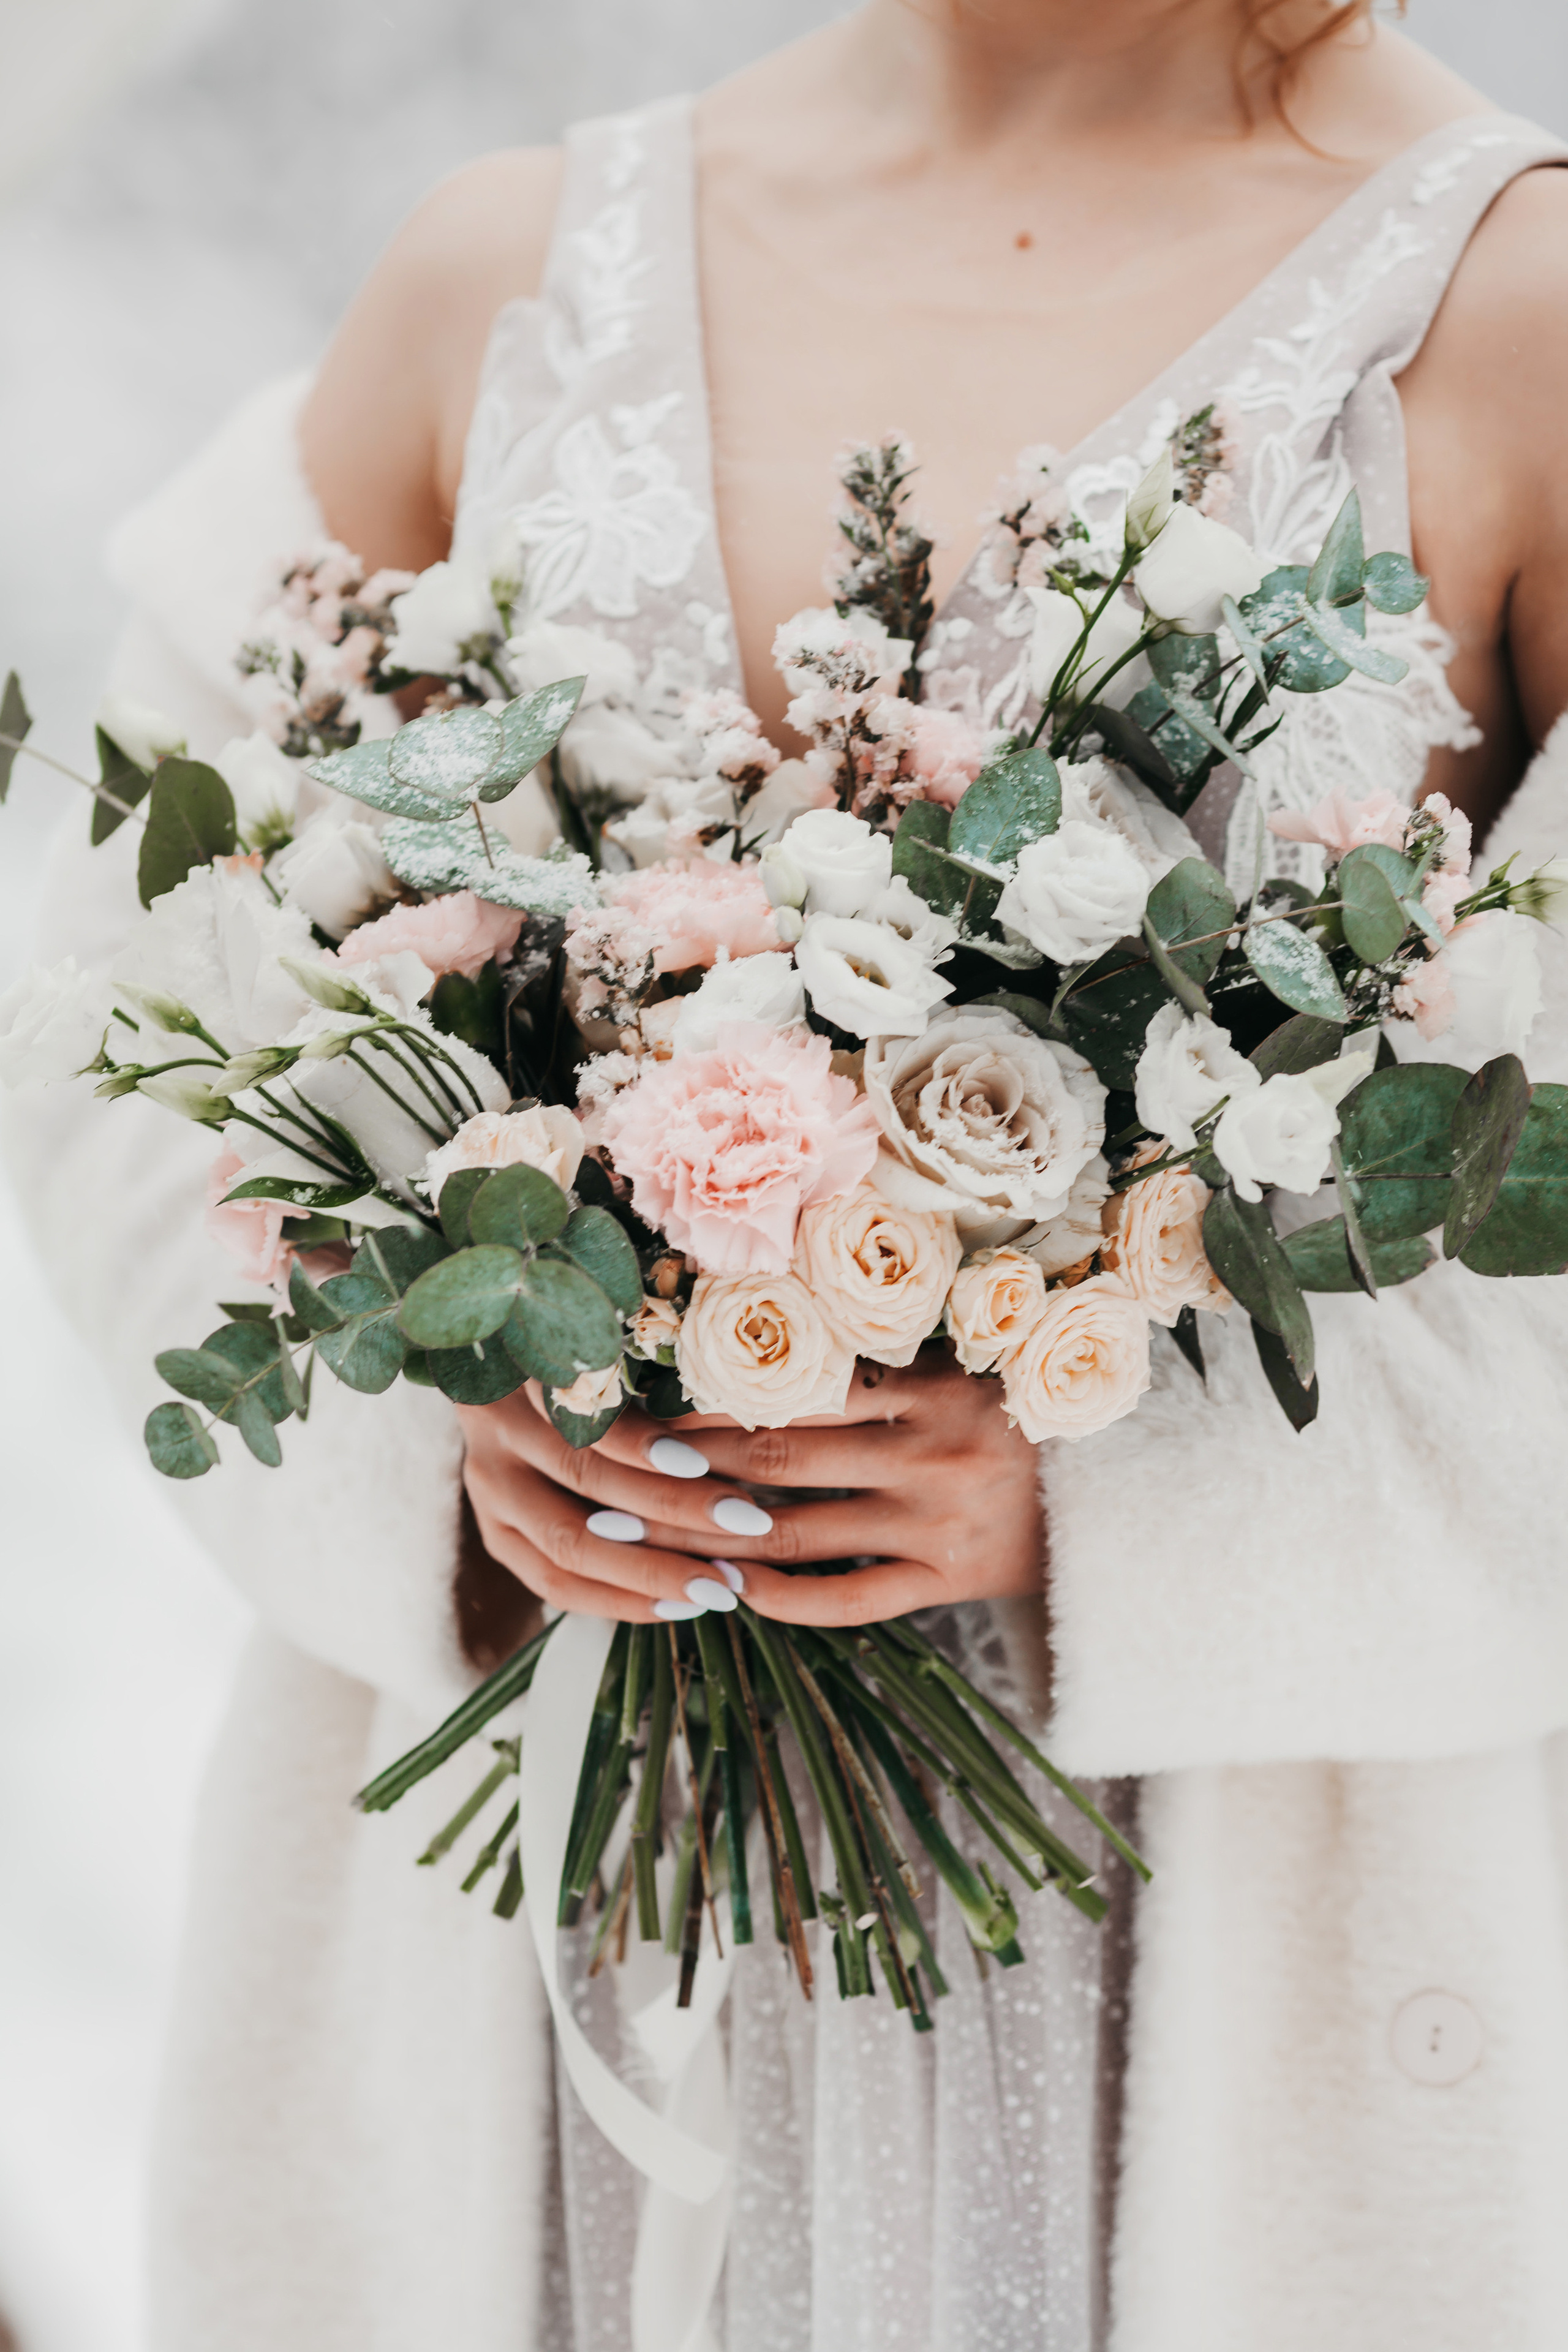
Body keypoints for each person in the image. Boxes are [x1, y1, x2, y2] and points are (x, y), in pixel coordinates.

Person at [8, 2, 1568, 2346]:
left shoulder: (1523, 327)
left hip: (1215, 1970)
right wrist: (455, 1408)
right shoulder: (504, 269)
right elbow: (114, 1023)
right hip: (529, 1959)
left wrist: (1114, 1498)